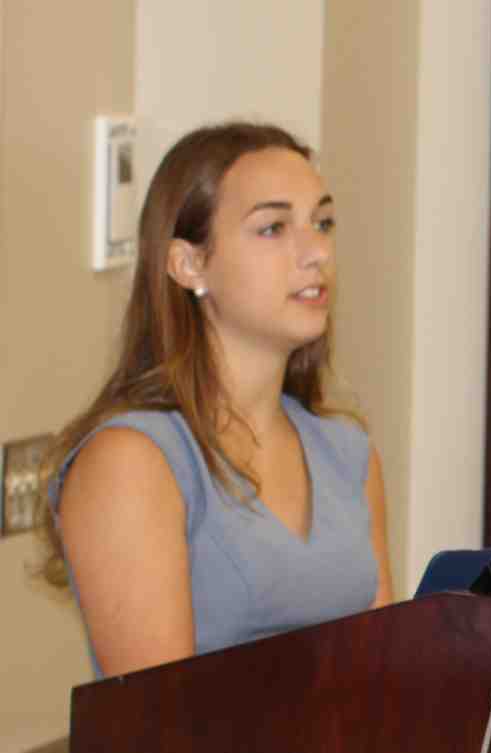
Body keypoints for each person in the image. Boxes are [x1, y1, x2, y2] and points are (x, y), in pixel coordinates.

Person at [41, 121, 393, 679]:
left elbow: (385, 681)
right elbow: (159, 724)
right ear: (188, 264)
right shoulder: (132, 461)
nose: (314, 253)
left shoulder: (349, 454)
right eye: (273, 228)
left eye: (322, 223)